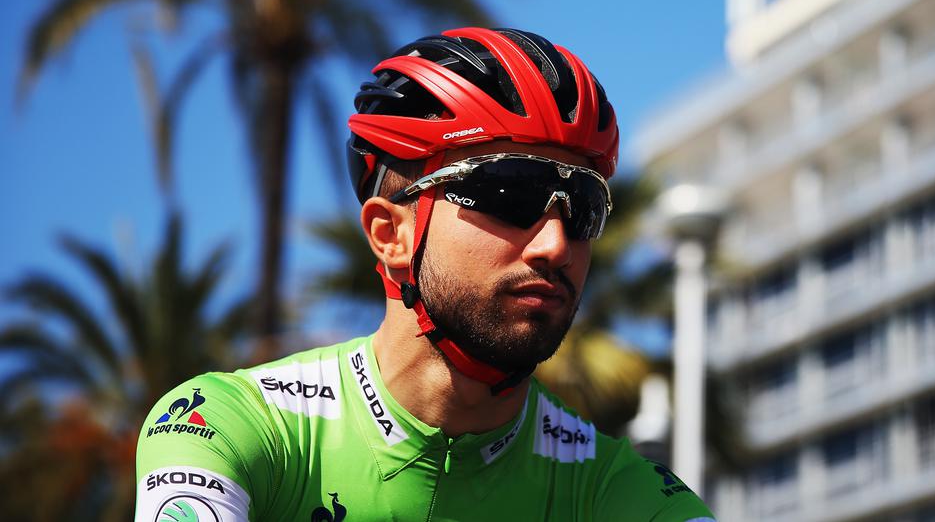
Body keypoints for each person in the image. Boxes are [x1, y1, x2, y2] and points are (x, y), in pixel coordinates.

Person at [134, 27, 716, 521]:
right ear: (391, 234)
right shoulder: (228, 428)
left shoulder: (622, 495)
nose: (555, 244)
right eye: (510, 194)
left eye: (583, 207)